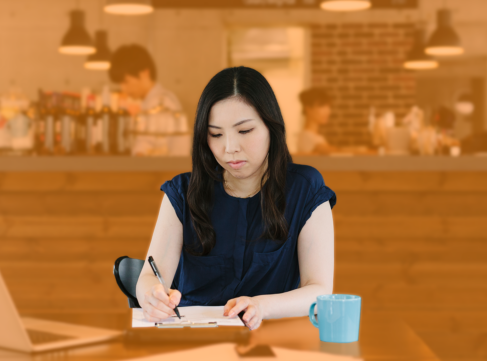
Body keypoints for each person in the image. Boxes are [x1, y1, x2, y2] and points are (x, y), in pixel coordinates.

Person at [135, 66, 336, 330]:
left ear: (270, 127)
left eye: (244, 131)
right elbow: (151, 275)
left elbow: (320, 291)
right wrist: (150, 295)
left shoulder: (305, 189)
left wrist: (261, 306)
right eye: (216, 134)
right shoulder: (183, 192)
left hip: (272, 347)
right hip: (193, 346)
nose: (229, 148)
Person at [108, 44, 182, 113]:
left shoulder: (162, 103)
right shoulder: (149, 102)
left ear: (145, 73)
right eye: (120, 83)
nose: (123, 89)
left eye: (126, 81)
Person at [297, 87, 340, 154]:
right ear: (308, 108)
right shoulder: (306, 136)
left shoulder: (317, 137)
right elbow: (335, 152)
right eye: (322, 106)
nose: (328, 111)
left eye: (328, 106)